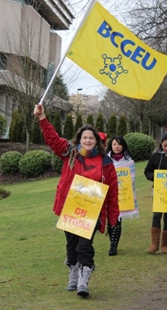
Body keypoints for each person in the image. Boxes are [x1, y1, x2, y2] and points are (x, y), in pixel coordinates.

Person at [34, 104, 119, 297]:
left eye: (91, 138)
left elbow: (113, 193)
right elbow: (52, 139)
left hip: (92, 210)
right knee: (71, 245)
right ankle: (73, 272)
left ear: (97, 141)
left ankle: (84, 280)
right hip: (70, 207)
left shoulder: (106, 163)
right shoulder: (70, 153)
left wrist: (113, 219)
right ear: (79, 139)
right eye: (85, 137)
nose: (88, 140)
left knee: (84, 246)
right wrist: (42, 118)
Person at [105, 135, 139, 256]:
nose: (117, 147)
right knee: (110, 220)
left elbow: (132, 179)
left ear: (123, 146)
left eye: (119, 144)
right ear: (111, 146)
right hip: (109, 194)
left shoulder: (129, 161)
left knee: (118, 219)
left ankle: (113, 246)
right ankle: (112, 241)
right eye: (114, 144)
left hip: (123, 194)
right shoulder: (106, 160)